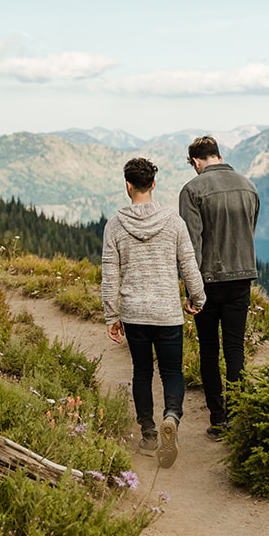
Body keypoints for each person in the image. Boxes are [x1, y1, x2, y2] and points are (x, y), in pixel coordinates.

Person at [100, 156, 205, 468]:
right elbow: (188, 264)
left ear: (128, 186)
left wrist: (111, 315)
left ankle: (148, 433)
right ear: (153, 184)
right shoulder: (174, 222)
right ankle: (171, 416)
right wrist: (196, 298)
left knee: (142, 372)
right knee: (172, 372)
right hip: (167, 312)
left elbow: (110, 275)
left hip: (134, 313)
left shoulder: (115, 225)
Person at [177, 135, 260, 437]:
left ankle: (217, 419)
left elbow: (191, 244)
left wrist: (191, 290)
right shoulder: (248, 186)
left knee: (210, 350)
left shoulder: (192, 190)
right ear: (218, 155)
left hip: (208, 281)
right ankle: (237, 416)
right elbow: (250, 229)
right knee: (235, 348)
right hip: (242, 277)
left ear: (196, 162)